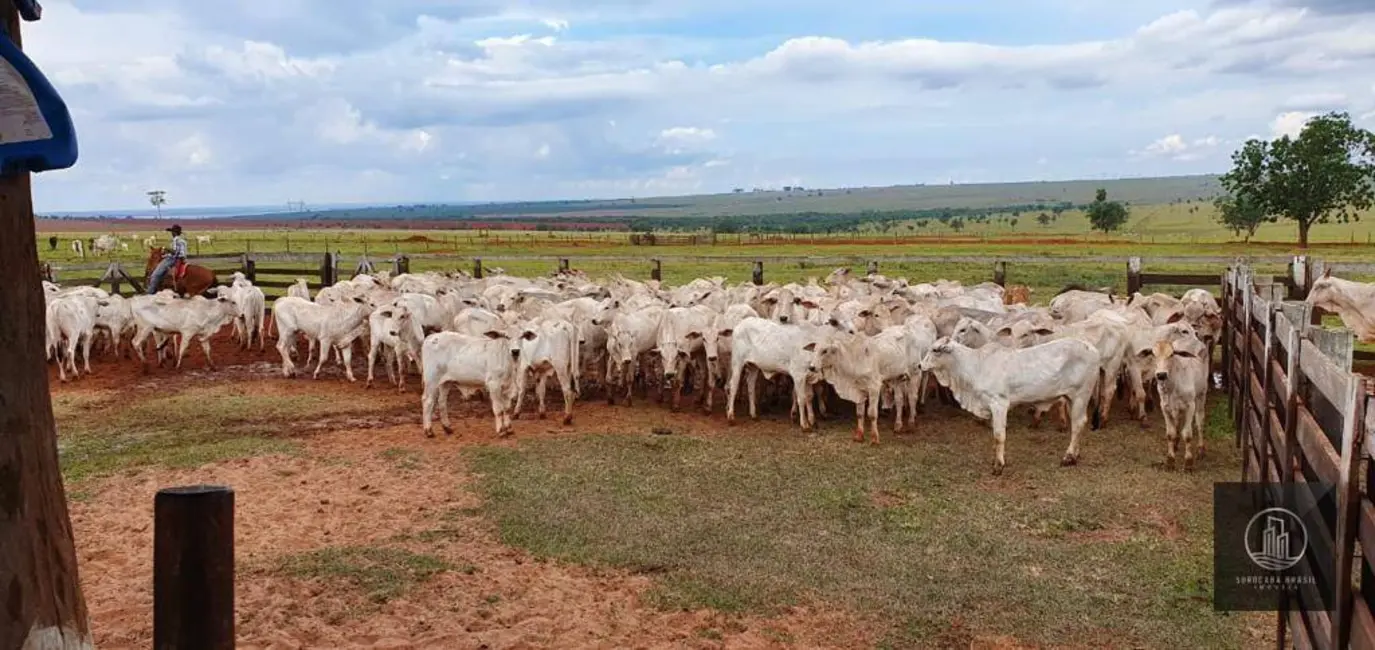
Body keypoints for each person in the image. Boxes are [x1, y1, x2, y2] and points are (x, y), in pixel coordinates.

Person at [147, 224, 188, 295]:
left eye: (172, 232)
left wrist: (166, 249)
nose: (171, 233)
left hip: (173, 259)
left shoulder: (176, 240)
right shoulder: (183, 241)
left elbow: (174, 252)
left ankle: (150, 292)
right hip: (182, 259)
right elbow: (181, 253)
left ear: (174, 232)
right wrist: (165, 255)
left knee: (155, 274)